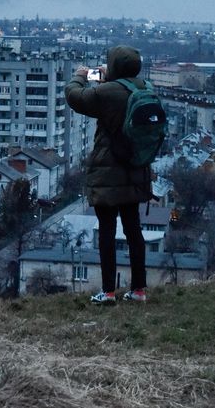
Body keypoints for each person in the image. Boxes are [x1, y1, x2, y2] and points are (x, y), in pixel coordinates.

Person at [65, 44, 153, 305]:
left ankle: (108, 291)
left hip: (108, 170)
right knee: (133, 230)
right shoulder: (146, 88)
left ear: (113, 65)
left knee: (106, 230)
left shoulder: (106, 92)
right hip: (137, 168)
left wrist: (80, 75)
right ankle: (138, 290)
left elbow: (75, 96)